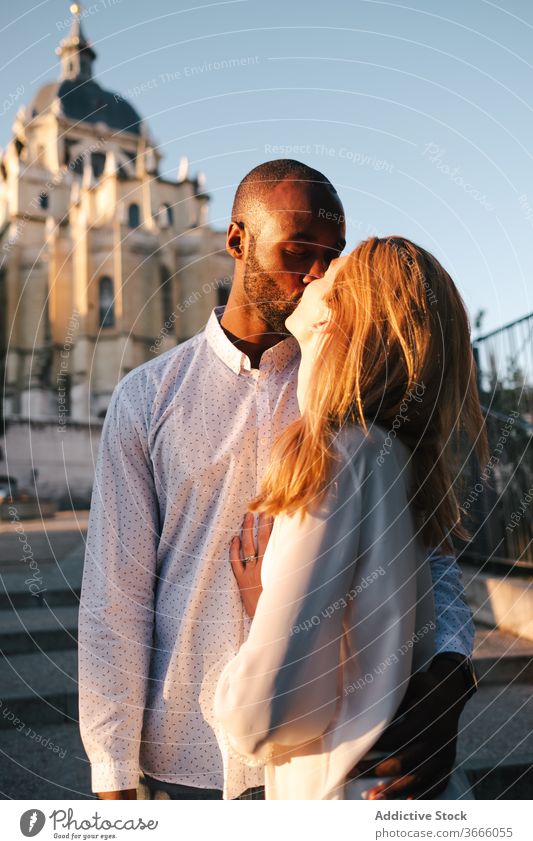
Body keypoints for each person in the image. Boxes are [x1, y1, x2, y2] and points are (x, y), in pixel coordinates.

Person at [79, 160, 478, 801]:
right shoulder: (146, 399)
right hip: (189, 759)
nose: (318, 274)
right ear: (237, 240)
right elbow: (114, 597)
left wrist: (452, 671)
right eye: (297, 252)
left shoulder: (357, 385)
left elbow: (429, 546)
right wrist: (112, 775)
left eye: (332, 256)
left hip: (326, 760)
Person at [209, 237, 487, 800]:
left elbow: (263, 717)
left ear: (336, 319)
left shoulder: (336, 454)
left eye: (332, 268)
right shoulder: (398, 456)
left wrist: (264, 603)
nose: (314, 273)